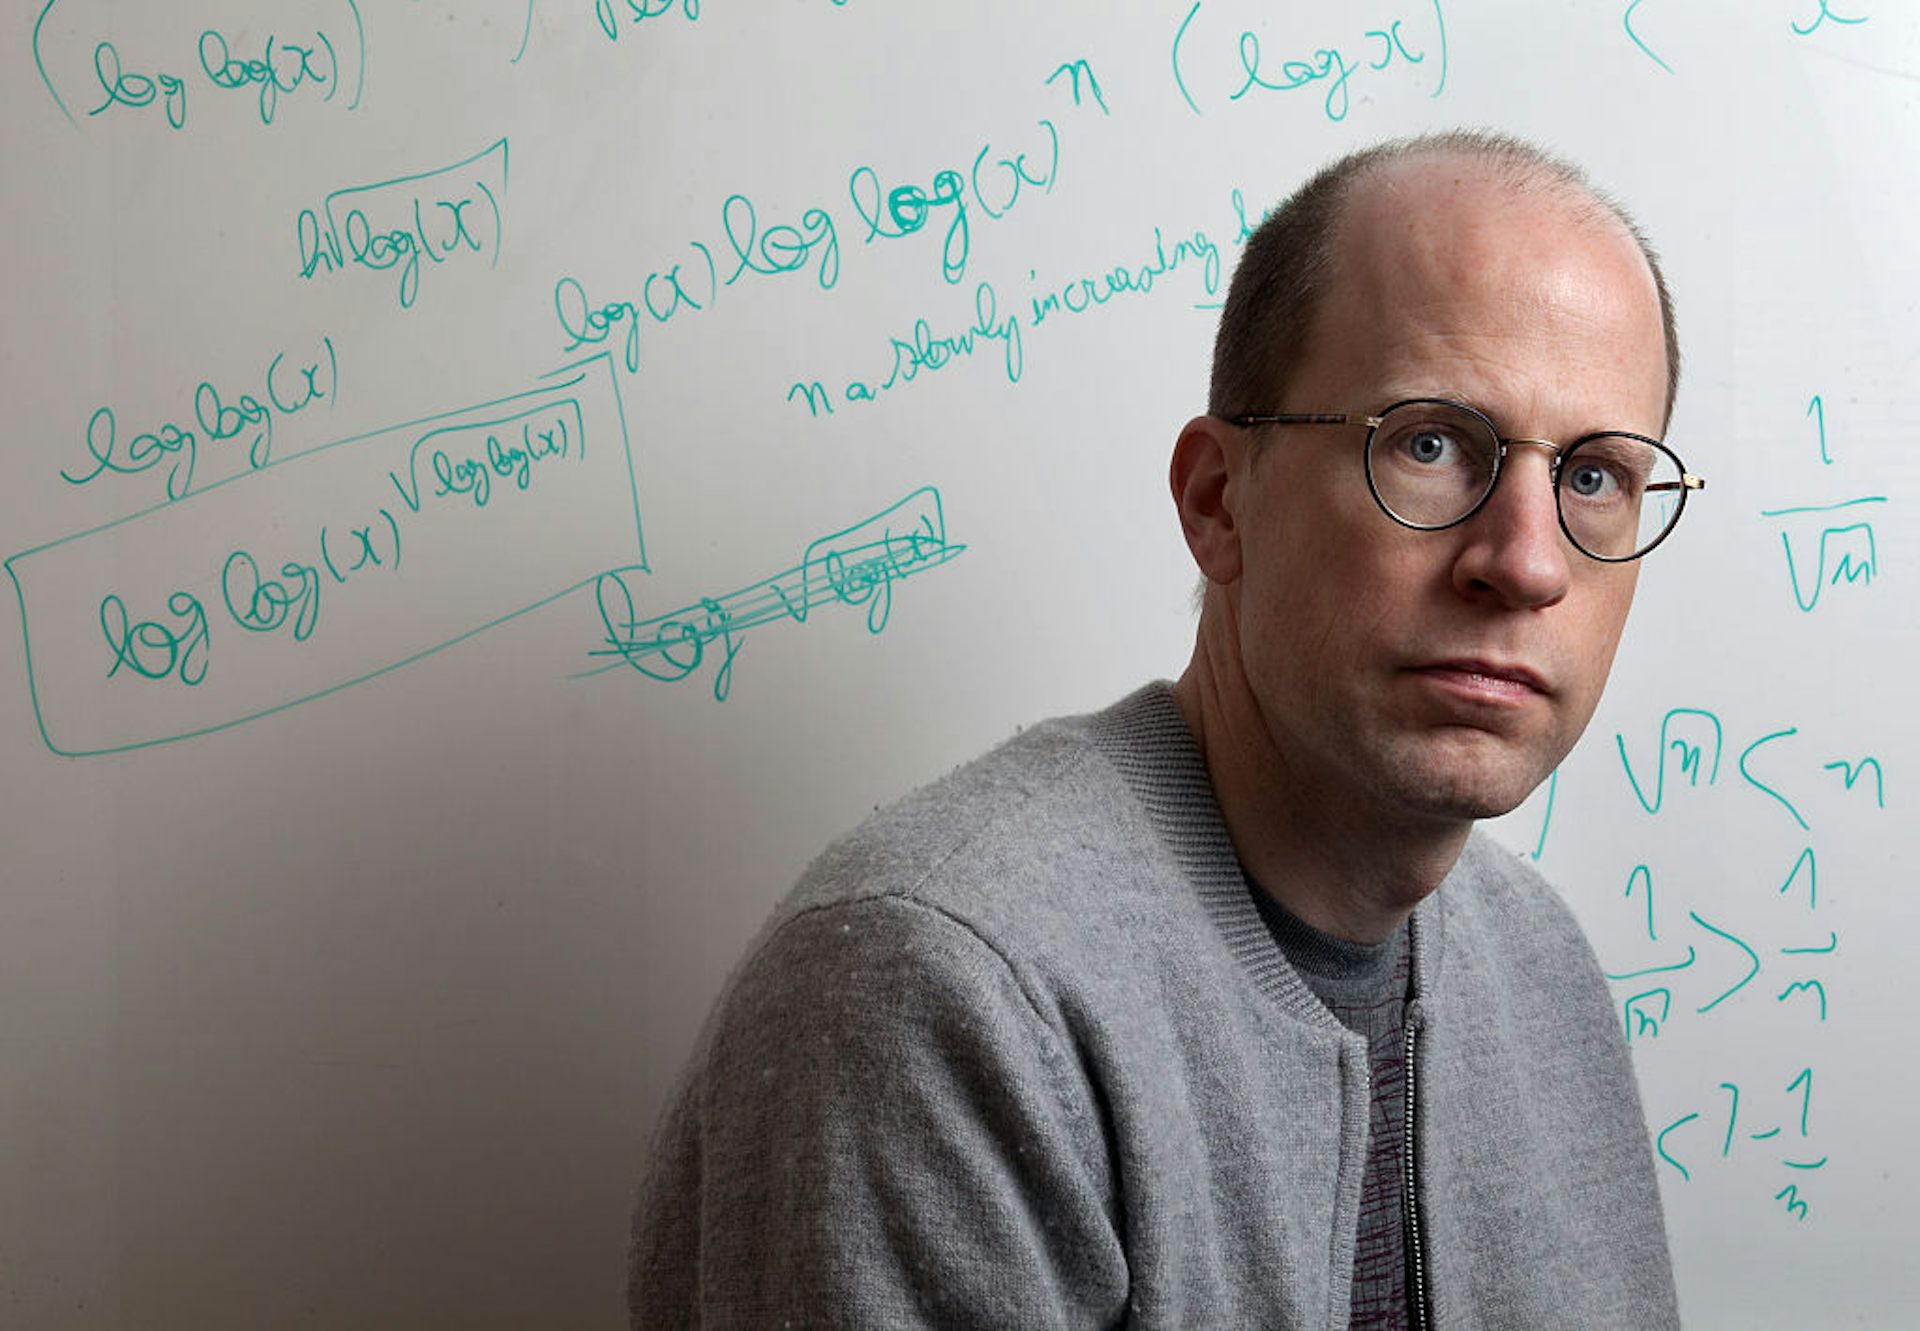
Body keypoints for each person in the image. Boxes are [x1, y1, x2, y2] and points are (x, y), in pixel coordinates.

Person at [628, 130, 1701, 1329]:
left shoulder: (1543, 968)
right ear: (1218, 501)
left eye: (1595, 476)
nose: (1528, 562)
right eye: (1431, 443)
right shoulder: (946, 988)